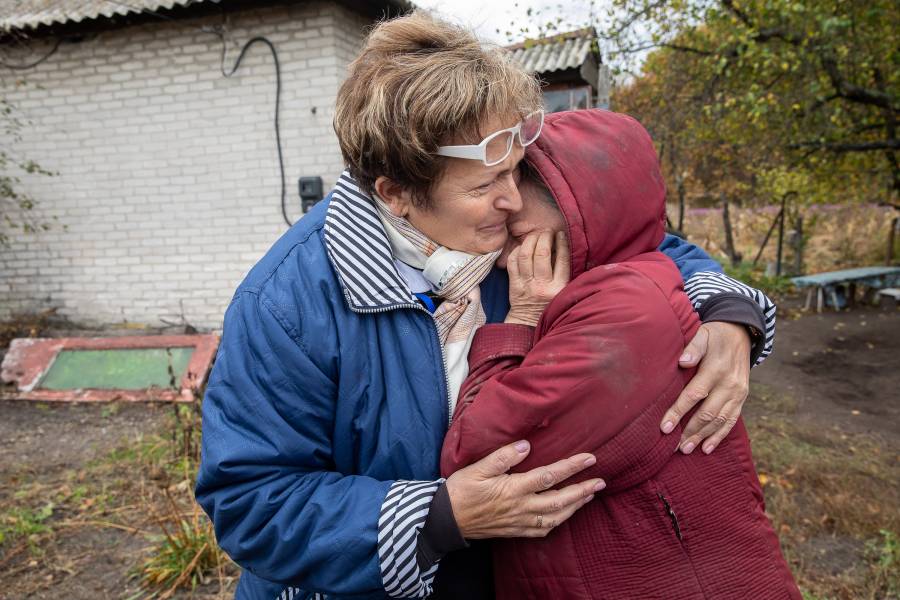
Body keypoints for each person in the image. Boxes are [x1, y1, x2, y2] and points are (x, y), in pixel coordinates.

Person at [195, 12, 776, 600]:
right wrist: (438, 517)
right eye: (481, 188)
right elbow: (250, 502)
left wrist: (728, 314)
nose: (513, 201)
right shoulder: (287, 305)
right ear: (395, 193)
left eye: (517, 172)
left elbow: (639, 236)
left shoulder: (512, 235)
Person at [441, 109, 799, 599]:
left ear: (581, 217)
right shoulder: (593, 281)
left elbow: (476, 456)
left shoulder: (623, 316)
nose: (505, 253)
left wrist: (522, 318)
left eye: (519, 233)